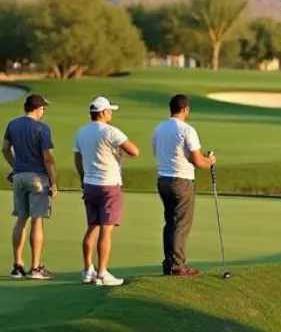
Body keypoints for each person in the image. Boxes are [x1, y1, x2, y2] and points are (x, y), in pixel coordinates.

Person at [73, 95, 139, 287]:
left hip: (90, 184)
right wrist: (118, 152)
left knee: (92, 227)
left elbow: (77, 159)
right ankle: (102, 272)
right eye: (109, 110)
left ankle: (87, 270)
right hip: (109, 185)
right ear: (102, 113)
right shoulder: (111, 132)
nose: (111, 113)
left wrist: (83, 178)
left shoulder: (81, 132)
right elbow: (134, 151)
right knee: (106, 230)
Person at [152, 93, 216, 276]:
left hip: (163, 180)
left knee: (170, 222)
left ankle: (169, 263)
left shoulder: (159, 128)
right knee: (181, 223)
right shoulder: (187, 130)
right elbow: (198, 161)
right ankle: (177, 266)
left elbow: (157, 152)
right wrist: (210, 161)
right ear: (186, 109)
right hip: (181, 181)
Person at [1, 92, 58, 279]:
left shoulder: (12, 124)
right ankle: (35, 268)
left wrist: (16, 166)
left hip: (19, 177)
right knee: (37, 220)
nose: (44, 111)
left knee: (21, 220)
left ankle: (17, 265)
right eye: (43, 108)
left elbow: (5, 149)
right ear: (37, 108)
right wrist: (54, 181)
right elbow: (47, 159)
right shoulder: (42, 128)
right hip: (38, 178)